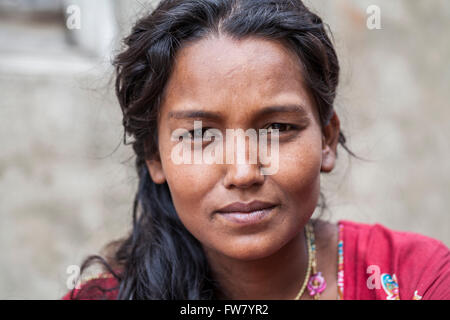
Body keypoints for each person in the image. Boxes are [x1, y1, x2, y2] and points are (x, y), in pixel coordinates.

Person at [62, 0, 449, 300]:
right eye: (199, 135)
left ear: (327, 140)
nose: (244, 172)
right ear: (155, 156)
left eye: (278, 128)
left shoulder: (415, 277)